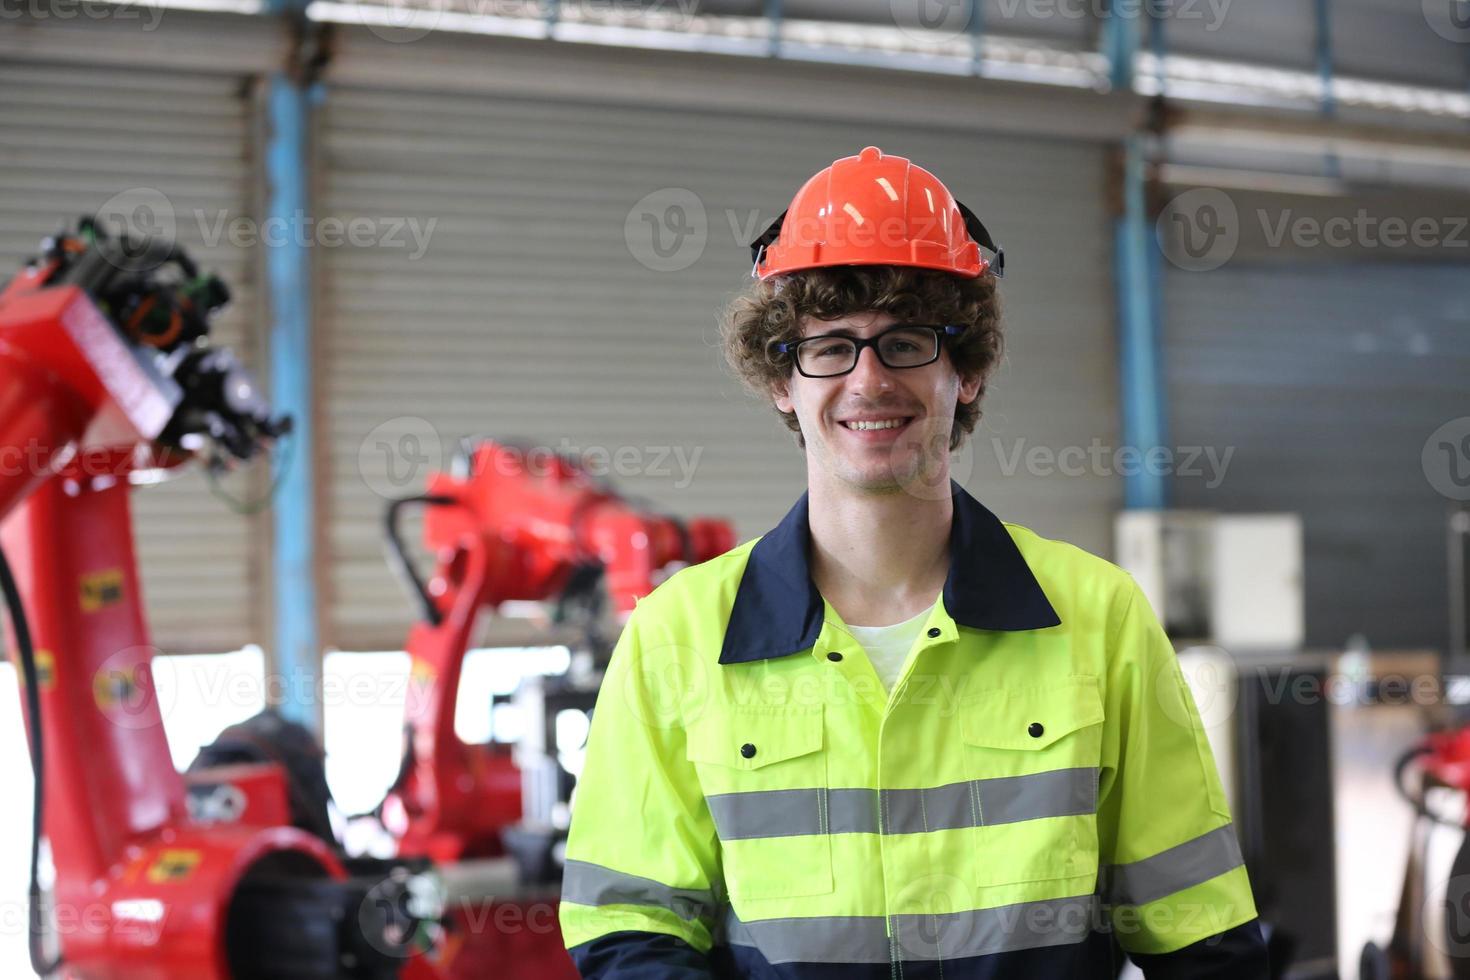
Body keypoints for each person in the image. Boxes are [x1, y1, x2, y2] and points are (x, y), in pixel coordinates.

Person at [559, 146, 1268, 978]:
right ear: (783, 380)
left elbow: (1202, 938)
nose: (867, 381)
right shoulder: (677, 635)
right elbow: (632, 931)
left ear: (964, 372)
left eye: (905, 343)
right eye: (828, 346)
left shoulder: (1097, 615)